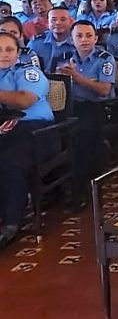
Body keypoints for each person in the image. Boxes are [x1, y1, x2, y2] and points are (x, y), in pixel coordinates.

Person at [0, 32, 54, 248]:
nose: (4, 54)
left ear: (17, 52)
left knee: (11, 162)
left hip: (37, 130)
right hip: (4, 129)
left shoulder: (28, 72)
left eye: (9, 49)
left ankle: (11, 222)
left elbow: (24, 100)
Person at [58, 20, 116, 193]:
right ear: (72, 39)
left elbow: (104, 90)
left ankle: (81, 187)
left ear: (95, 38)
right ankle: (58, 186)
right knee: (51, 134)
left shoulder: (105, 59)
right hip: (69, 106)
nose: (84, 40)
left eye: (89, 35)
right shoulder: (63, 58)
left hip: (96, 106)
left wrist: (77, 77)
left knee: (81, 137)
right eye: (79, 36)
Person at [29, 7, 76, 72]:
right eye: (54, 20)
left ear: (71, 21)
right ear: (48, 23)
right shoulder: (35, 43)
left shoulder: (78, 42)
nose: (58, 23)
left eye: (63, 20)